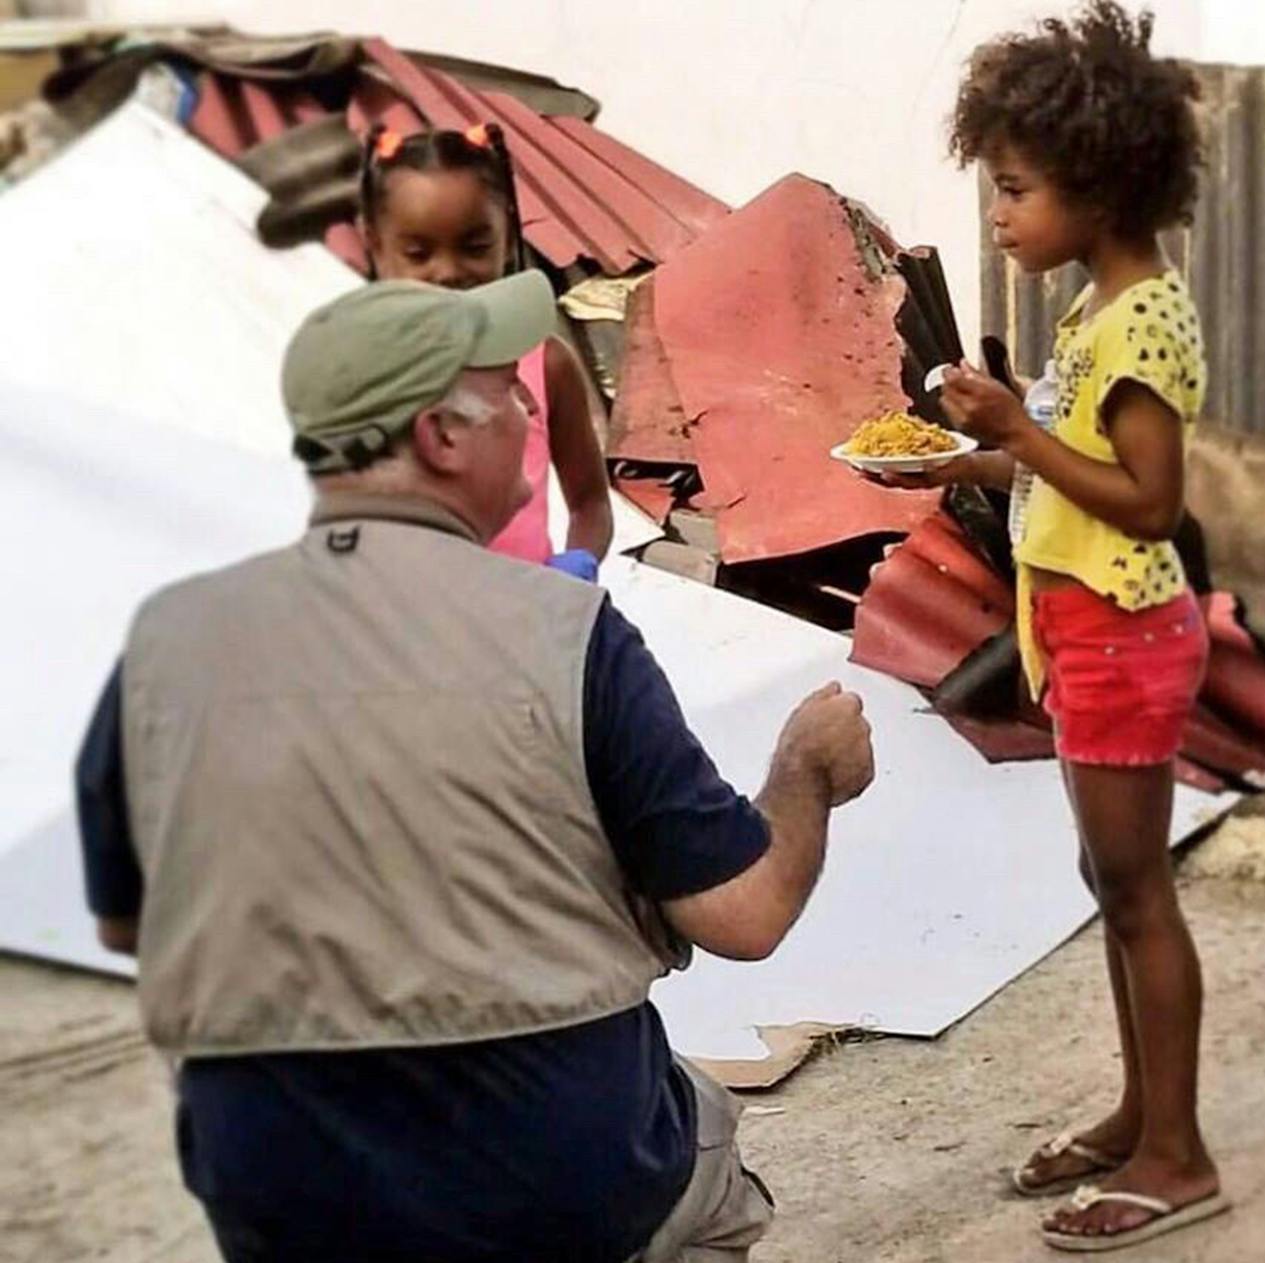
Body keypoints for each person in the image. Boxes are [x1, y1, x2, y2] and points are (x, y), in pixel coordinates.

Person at [74, 272, 875, 1262]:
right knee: (706, 1154)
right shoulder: (562, 633)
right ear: (439, 437)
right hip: (549, 1187)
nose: (530, 413)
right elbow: (745, 915)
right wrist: (802, 769)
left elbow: (126, 923)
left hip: (275, 1197)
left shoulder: (169, 639)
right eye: (508, 392)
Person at [884, 2, 1228, 1251]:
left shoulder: (1140, 322)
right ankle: (1143, 1111)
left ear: (1094, 183)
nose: (997, 215)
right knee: (1112, 879)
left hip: (1125, 635)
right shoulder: (1094, 311)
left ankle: (1177, 1158)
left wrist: (1015, 435)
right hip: (1085, 631)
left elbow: (1146, 501)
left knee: (1137, 896)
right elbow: (1061, 468)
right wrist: (958, 466)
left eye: (1014, 190)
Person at [359, 122, 612, 578]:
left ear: (508, 236)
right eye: (418, 253)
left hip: (524, 617)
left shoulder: (547, 364)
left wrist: (577, 564)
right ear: (376, 247)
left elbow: (590, 503)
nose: (449, 272)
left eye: (475, 247)